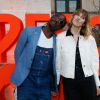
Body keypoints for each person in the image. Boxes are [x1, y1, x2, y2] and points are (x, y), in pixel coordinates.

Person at [10, 14, 66, 100]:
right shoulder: (29, 31)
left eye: (61, 21)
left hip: (45, 84)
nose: (57, 20)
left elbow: (55, 64)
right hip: (26, 82)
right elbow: (18, 52)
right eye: (57, 17)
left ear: (60, 27)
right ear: (51, 17)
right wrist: (22, 71)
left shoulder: (57, 40)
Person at [56, 9, 100, 100]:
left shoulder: (90, 39)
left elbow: (94, 62)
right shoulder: (60, 38)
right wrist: (56, 83)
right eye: (77, 15)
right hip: (69, 81)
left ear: (84, 23)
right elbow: (57, 62)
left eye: (83, 17)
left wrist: (97, 84)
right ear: (73, 17)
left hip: (88, 80)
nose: (79, 18)